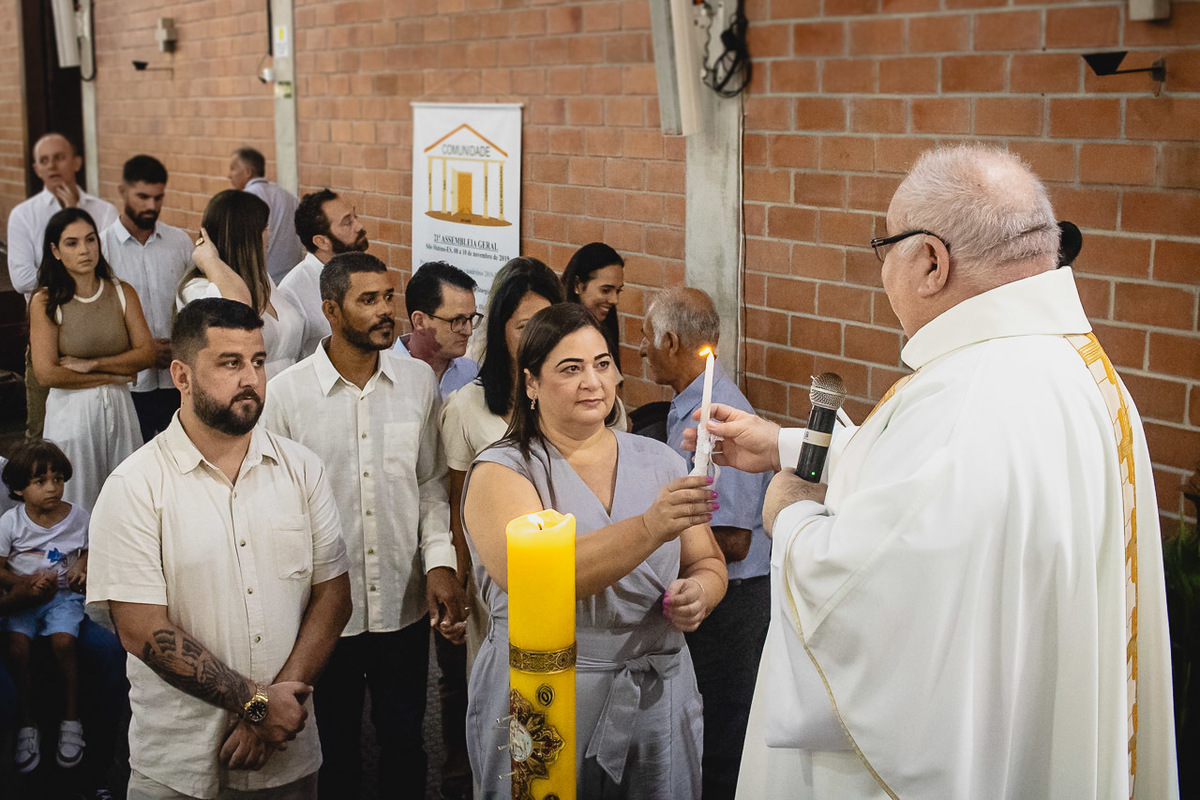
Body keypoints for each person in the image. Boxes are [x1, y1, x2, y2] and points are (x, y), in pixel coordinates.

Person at [680, 145, 1177, 799]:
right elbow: (928, 490)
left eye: (883, 246)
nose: (881, 268)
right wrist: (789, 446)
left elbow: (873, 590)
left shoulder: (972, 395)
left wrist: (790, 515)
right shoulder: (1063, 366)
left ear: (932, 261)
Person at [86, 298, 352, 799]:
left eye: (257, 360)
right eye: (230, 363)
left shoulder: (302, 469)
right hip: (181, 766)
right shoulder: (136, 486)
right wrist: (256, 705)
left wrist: (276, 707)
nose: (250, 378)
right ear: (181, 376)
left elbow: (334, 597)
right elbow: (142, 629)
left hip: (288, 757)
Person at [462, 303, 728, 799]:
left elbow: (707, 561)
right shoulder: (504, 471)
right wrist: (650, 526)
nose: (593, 382)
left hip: (656, 687)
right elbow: (534, 578)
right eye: (571, 368)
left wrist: (700, 593)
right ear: (532, 383)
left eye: (602, 364)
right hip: (548, 690)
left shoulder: (662, 461)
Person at [262, 252, 467, 798]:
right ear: (331, 310)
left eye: (388, 298)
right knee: (333, 746)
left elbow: (430, 481)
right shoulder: (285, 395)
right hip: (324, 610)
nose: (385, 312)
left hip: (401, 599)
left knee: (404, 740)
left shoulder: (419, 382)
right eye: (368, 300)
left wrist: (440, 563)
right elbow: (273, 505)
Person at [437, 256, 564, 799]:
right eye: (521, 327)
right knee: (503, 725)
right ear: (499, 330)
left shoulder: (592, 403)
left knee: (560, 730)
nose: (535, 338)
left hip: (573, 579)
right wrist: (459, 586)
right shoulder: (469, 408)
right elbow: (456, 507)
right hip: (497, 591)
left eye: (546, 324)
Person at [639, 287, 772, 800]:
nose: (642, 349)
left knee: (721, 735)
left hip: (733, 601)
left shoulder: (717, 414)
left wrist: (648, 544)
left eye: (647, 337)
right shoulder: (688, 406)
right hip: (713, 592)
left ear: (670, 340)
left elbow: (734, 538)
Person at [30, 208, 155, 512]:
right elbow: (47, 374)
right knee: (78, 498)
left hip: (120, 408)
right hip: (71, 412)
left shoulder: (122, 292)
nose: (84, 250)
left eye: (90, 240)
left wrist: (93, 364)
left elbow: (147, 353)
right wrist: (113, 375)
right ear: (55, 251)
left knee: (125, 496)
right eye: (72, 243)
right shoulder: (46, 301)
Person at [7, 133, 119, 437]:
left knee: (101, 428)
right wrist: (66, 221)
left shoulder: (104, 211)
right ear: (36, 168)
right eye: (44, 160)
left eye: (59, 157)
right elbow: (21, 279)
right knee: (43, 435)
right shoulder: (24, 215)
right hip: (49, 336)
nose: (52, 165)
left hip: (99, 335)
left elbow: (107, 269)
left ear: (77, 162)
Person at [0, 439, 89, 773]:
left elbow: (90, 548)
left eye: (58, 479)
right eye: (41, 482)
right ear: (20, 489)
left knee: (64, 643)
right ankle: (28, 722)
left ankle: (71, 718)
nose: (53, 488)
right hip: (22, 602)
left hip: (63, 599)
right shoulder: (11, 523)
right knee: (17, 649)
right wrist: (22, 585)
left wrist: (82, 565)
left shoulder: (78, 517)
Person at [103, 154, 195, 441]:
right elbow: (100, 314)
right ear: (122, 191)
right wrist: (142, 350)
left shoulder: (180, 242)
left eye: (158, 197)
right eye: (143, 196)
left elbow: (191, 305)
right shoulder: (101, 248)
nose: (151, 206)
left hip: (176, 378)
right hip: (129, 383)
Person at [178, 190, 305, 379]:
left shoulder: (262, 278)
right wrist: (211, 260)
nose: (269, 234)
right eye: (264, 227)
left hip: (289, 396)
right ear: (244, 237)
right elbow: (240, 310)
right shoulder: (197, 290)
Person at [280, 188, 369, 357]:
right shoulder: (292, 292)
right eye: (347, 222)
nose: (359, 226)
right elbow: (288, 362)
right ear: (322, 242)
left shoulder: (365, 272)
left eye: (355, 216)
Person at [395, 261, 481, 398]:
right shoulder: (386, 376)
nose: (468, 331)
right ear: (420, 321)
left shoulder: (473, 375)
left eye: (471, 318)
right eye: (457, 321)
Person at [227, 147, 304, 283]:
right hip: (292, 280)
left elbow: (242, 247)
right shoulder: (288, 196)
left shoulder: (246, 199)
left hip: (263, 283)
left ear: (248, 172)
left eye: (233, 168)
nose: (229, 175)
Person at [562, 242, 625, 372]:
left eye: (618, 291)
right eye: (606, 290)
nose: (615, 300)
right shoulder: (554, 335)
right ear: (577, 285)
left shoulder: (603, 327)